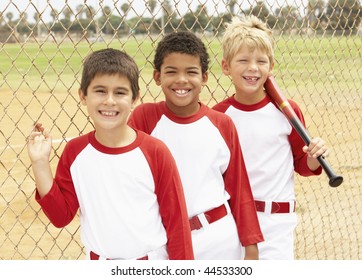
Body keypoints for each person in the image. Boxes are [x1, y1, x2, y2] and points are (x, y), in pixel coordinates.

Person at [27, 48, 194, 260]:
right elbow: (60, 217)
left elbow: (177, 224)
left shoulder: (155, 152)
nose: (110, 101)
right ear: (83, 95)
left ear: (135, 99)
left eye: (120, 92)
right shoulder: (75, 152)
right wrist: (40, 163)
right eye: (100, 91)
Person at [128, 31, 263, 260]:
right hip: (165, 240)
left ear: (204, 77)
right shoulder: (146, 118)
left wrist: (251, 245)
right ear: (157, 76)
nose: (182, 80)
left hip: (218, 237)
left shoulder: (221, 124)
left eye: (191, 72)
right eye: (171, 72)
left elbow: (239, 187)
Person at [213, 15, 330, 260]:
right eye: (243, 60)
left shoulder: (286, 111)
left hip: (276, 223)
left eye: (261, 61)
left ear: (271, 66)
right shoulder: (218, 116)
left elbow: (303, 165)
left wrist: (315, 157)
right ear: (226, 67)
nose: (253, 68)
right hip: (233, 219)